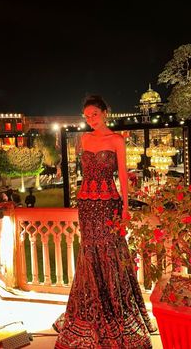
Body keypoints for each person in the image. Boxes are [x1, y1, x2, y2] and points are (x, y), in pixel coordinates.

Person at [53, 95, 156, 348]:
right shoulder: (84, 139)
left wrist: (124, 208)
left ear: (105, 113)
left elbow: (122, 174)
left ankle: (116, 310)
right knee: (90, 253)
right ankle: (89, 311)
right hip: (87, 204)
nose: (90, 120)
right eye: (87, 116)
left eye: (94, 115)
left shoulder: (116, 140)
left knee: (112, 253)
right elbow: (84, 172)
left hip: (109, 203)